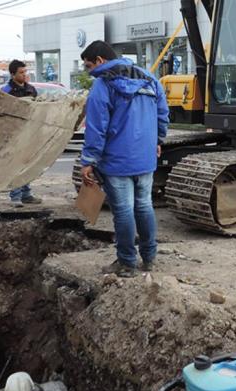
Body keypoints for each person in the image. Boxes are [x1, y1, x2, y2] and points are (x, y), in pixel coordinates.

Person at [79, 41, 169, 278]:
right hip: (145, 158)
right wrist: (158, 140)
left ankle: (127, 263)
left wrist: (88, 160)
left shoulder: (103, 85)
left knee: (124, 211)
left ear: (99, 61)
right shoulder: (150, 79)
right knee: (144, 206)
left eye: (89, 66)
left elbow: (97, 127)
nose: (89, 71)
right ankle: (149, 258)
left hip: (117, 160)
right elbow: (162, 114)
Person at [1, 59, 42, 208]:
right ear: (13, 75)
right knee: (15, 165)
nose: (25, 75)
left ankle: (26, 194)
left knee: (27, 164)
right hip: (13, 134)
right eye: (21, 72)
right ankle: (15, 196)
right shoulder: (6, 92)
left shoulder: (31, 90)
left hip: (29, 132)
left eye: (26, 72)